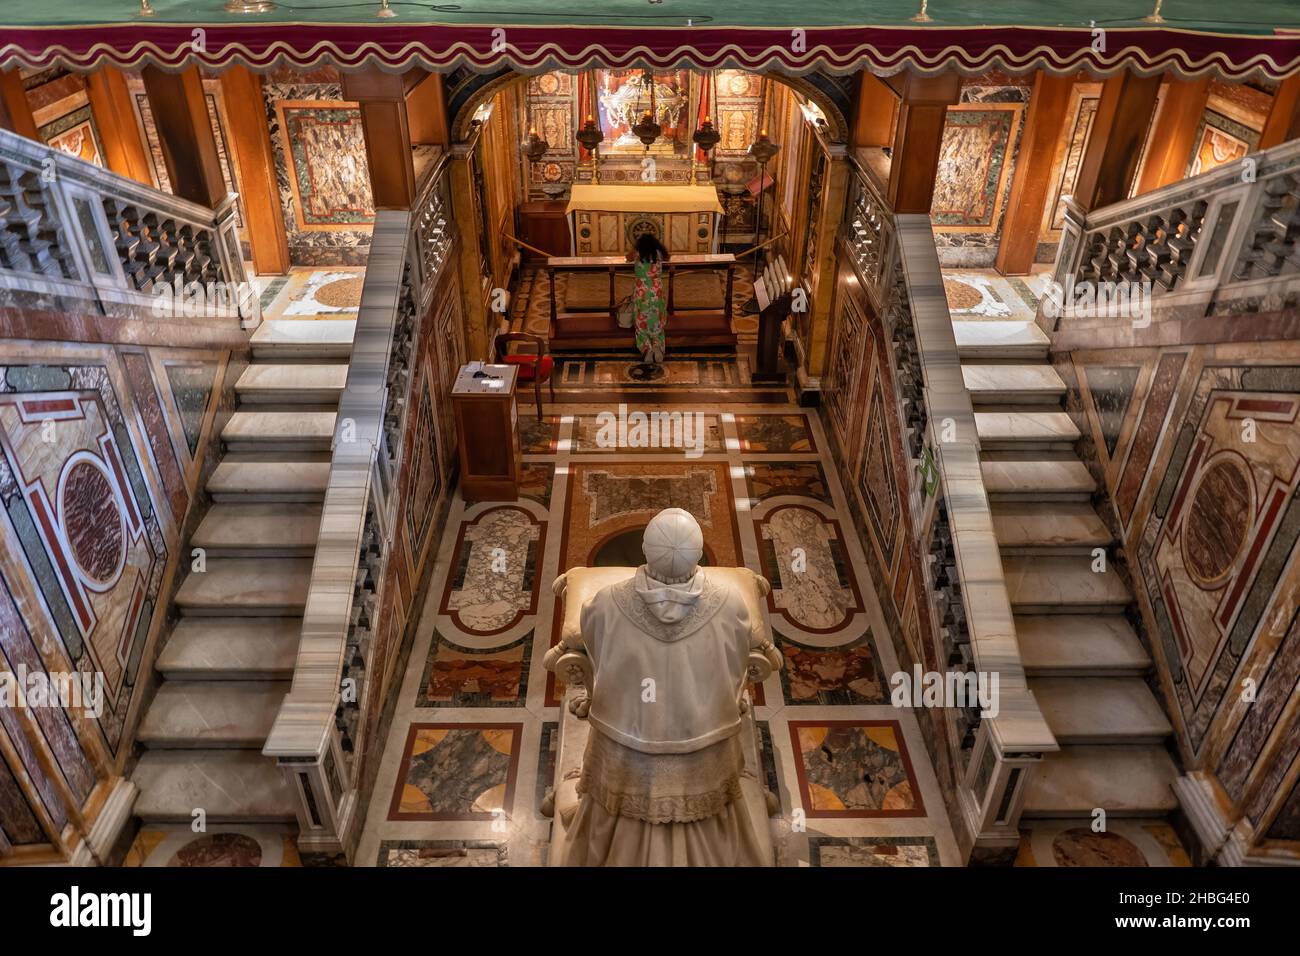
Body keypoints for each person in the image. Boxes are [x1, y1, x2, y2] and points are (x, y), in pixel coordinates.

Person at [554, 508, 779, 866]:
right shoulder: (731, 605)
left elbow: (598, 660)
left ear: (644, 550)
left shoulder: (605, 603)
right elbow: (735, 668)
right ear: (700, 552)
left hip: (628, 748)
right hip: (703, 748)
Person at [627, 232, 670, 366]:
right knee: (657, 320)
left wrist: (635, 248)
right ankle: (657, 347)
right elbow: (668, 257)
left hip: (642, 292)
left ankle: (646, 349)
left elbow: (627, 258)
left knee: (641, 321)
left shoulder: (637, 253)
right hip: (656, 291)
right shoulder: (658, 253)